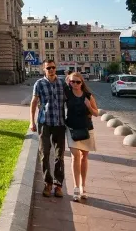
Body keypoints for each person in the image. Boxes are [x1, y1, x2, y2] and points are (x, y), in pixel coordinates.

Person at [30, 59, 66, 198]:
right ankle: (48, 183)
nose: (51, 70)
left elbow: (73, 98)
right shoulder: (39, 83)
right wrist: (31, 122)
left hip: (59, 123)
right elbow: (34, 103)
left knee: (59, 156)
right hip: (44, 123)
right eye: (48, 68)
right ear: (44, 70)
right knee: (44, 153)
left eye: (53, 67)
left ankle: (58, 185)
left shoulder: (62, 83)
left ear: (55, 68)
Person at [65, 73, 98, 202]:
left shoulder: (88, 96)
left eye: (78, 82)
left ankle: (83, 186)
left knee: (84, 157)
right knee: (75, 156)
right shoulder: (67, 94)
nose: (75, 84)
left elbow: (96, 113)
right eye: (72, 82)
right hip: (72, 129)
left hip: (86, 129)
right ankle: (75, 188)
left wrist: (89, 106)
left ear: (82, 83)